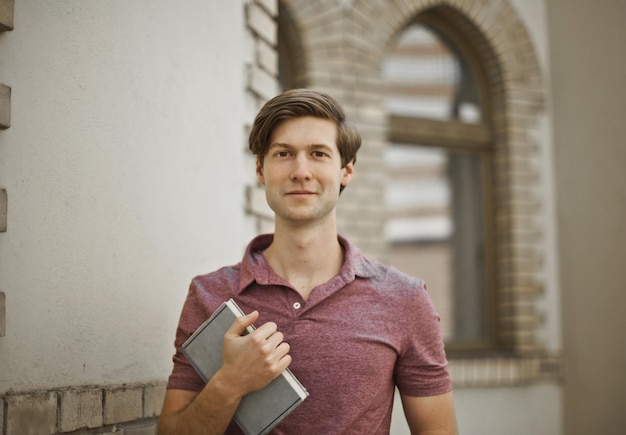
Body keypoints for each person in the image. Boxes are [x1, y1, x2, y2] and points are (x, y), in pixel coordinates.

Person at [158, 89, 458, 434]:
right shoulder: (208, 295)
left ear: (345, 171)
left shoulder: (405, 300)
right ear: (261, 169)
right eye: (283, 153)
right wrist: (231, 383)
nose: (301, 171)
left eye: (318, 154)